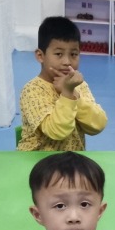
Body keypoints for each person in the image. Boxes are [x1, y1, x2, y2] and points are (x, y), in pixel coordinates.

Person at [19, 16, 107, 152]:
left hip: (71, 161)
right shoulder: (32, 90)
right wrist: (67, 93)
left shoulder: (79, 85)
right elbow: (56, 132)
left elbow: (98, 125)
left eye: (73, 54)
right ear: (40, 56)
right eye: (59, 54)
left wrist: (74, 93)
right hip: (38, 160)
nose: (67, 62)